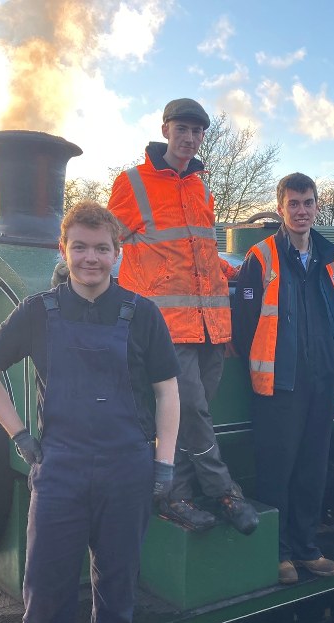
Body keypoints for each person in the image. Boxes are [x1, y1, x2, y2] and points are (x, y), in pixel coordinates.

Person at [0, 201, 179, 623]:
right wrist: (18, 434)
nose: (91, 257)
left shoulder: (141, 314)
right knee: (48, 594)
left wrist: (162, 463)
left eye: (102, 248)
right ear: (65, 252)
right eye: (81, 247)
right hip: (59, 470)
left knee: (118, 587)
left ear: (118, 253)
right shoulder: (38, 311)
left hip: (125, 469)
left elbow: (167, 389)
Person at [108, 97, 257, 536]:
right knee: (191, 408)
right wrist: (75, 267)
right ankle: (224, 489)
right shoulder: (132, 183)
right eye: (182, 129)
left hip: (211, 326)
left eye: (197, 132)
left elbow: (199, 250)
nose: (189, 139)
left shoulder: (202, 187)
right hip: (164, 328)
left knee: (194, 415)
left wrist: (237, 270)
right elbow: (101, 238)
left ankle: (174, 496)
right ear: (165, 128)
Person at [232, 172, 334, 585]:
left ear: (317, 206)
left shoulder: (328, 257)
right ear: (281, 207)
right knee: (277, 470)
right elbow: (245, 324)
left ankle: (308, 548)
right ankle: (279, 553)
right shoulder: (262, 256)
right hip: (279, 384)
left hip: (322, 380)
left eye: (308, 203)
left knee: (312, 467)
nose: (301, 211)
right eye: (293, 204)